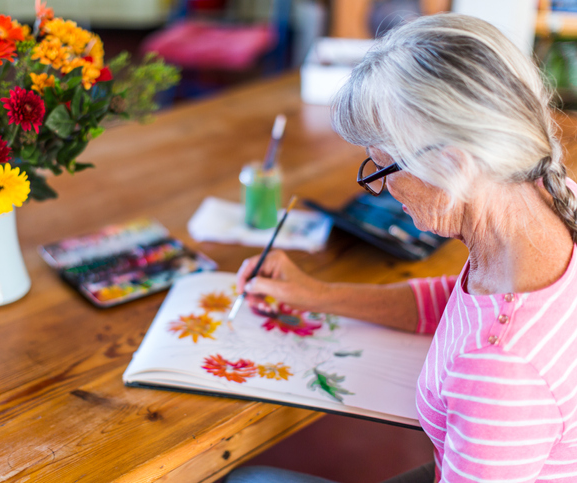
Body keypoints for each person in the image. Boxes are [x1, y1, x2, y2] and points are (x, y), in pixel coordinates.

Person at [227, 13, 577, 483]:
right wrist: (312, 294)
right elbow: (458, 302)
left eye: (382, 168)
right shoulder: (550, 197)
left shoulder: (501, 373)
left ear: (453, 165)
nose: (382, 189)